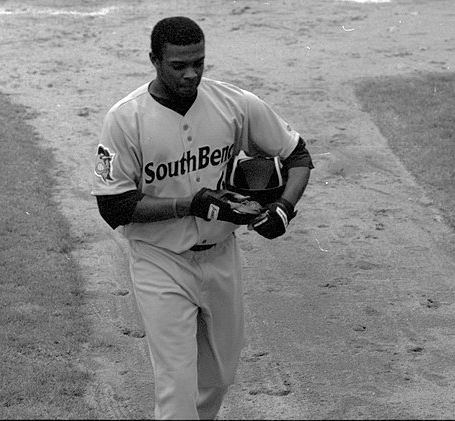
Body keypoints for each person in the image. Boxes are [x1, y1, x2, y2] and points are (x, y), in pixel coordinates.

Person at [91, 16, 313, 420]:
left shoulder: (234, 104)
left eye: (199, 62)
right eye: (179, 65)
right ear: (154, 60)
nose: (191, 74)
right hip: (160, 260)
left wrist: (284, 207)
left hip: (221, 257)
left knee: (218, 376)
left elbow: (297, 155)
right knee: (177, 382)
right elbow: (114, 206)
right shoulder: (125, 119)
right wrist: (188, 204)